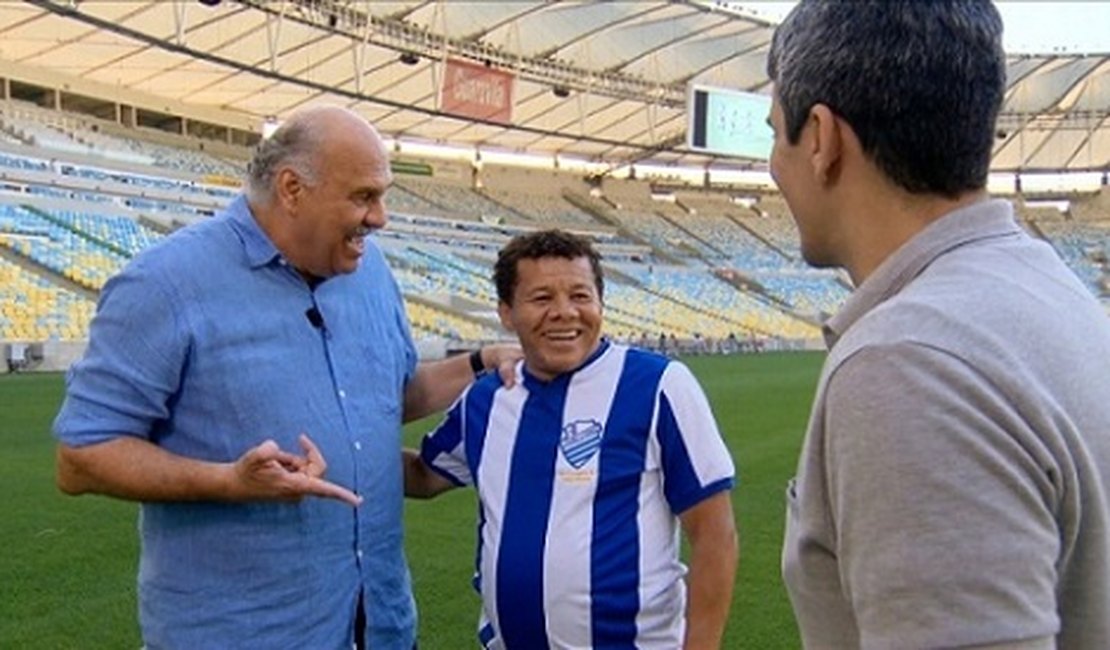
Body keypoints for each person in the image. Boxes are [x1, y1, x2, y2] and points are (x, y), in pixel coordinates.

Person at [53, 105, 518, 649]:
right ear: (293, 189)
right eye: (365, 196)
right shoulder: (164, 285)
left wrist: (482, 362)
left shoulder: (370, 271)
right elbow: (81, 458)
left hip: (383, 625)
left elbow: (387, 397)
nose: (381, 218)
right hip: (248, 633)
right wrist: (230, 481)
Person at [767, 2, 1110, 648]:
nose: (772, 164)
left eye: (773, 134)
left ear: (821, 138)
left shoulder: (908, 362)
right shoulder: (1049, 289)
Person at [403, 230, 738, 649]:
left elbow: (714, 535)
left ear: (600, 303)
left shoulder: (658, 385)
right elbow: (423, 476)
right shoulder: (487, 399)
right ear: (506, 313)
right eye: (542, 298)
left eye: (580, 296)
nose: (564, 312)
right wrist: (342, 453)